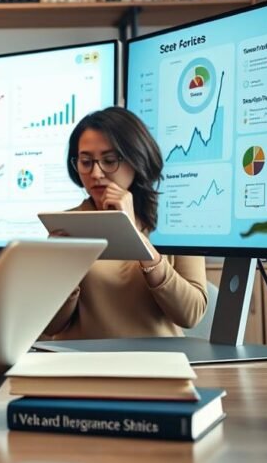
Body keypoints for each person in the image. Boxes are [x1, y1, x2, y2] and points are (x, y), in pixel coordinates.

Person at [43, 107, 208, 339]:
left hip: (159, 363)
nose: (96, 173)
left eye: (109, 160)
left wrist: (136, 238)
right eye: (86, 161)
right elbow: (51, 327)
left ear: (136, 159)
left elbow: (190, 315)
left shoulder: (178, 220)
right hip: (83, 363)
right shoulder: (66, 226)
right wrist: (67, 271)